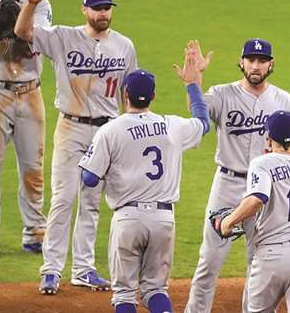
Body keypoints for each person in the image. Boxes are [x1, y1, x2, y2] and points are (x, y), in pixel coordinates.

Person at [14, 0, 138, 294]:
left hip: (107, 132)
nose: (103, 14)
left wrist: (127, 133)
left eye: (107, 8)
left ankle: (83, 269)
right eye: (97, 8)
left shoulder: (124, 46)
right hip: (71, 127)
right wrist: (31, 3)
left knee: (91, 201)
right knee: (64, 199)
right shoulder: (62, 38)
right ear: (84, 10)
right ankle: (51, 269)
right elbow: (23, 32)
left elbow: (129, 93)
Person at [176, 39, 290, 312]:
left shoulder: (283, 100)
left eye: (261, 60)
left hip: (267, 189)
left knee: (259, 262)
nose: (255, 66)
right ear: (241, 62)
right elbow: (197, 111)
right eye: (251, 60)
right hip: (227, 184)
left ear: (271, 65)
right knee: (209, 261)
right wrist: (195, 77)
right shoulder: (222, 93)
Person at [79, 54, 210, 313]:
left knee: (125, 293)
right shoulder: (171, 126)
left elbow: (89, 178)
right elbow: (204, 123)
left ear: (124, 93)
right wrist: (192, 84)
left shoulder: (110, 130)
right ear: (153, 96)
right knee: (155, 290)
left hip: (128, 219)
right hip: (164, 220)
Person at [217, 70, 290, 312]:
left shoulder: (263, 163)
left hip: (271, 257)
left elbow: (257, 199)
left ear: (269, 139)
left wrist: (228, 222)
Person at [0, 0, 51, 253]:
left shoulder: (40, 4)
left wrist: (24, 7)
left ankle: (35, 233)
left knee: (33, 166)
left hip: (30, 93)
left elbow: (29, 38)